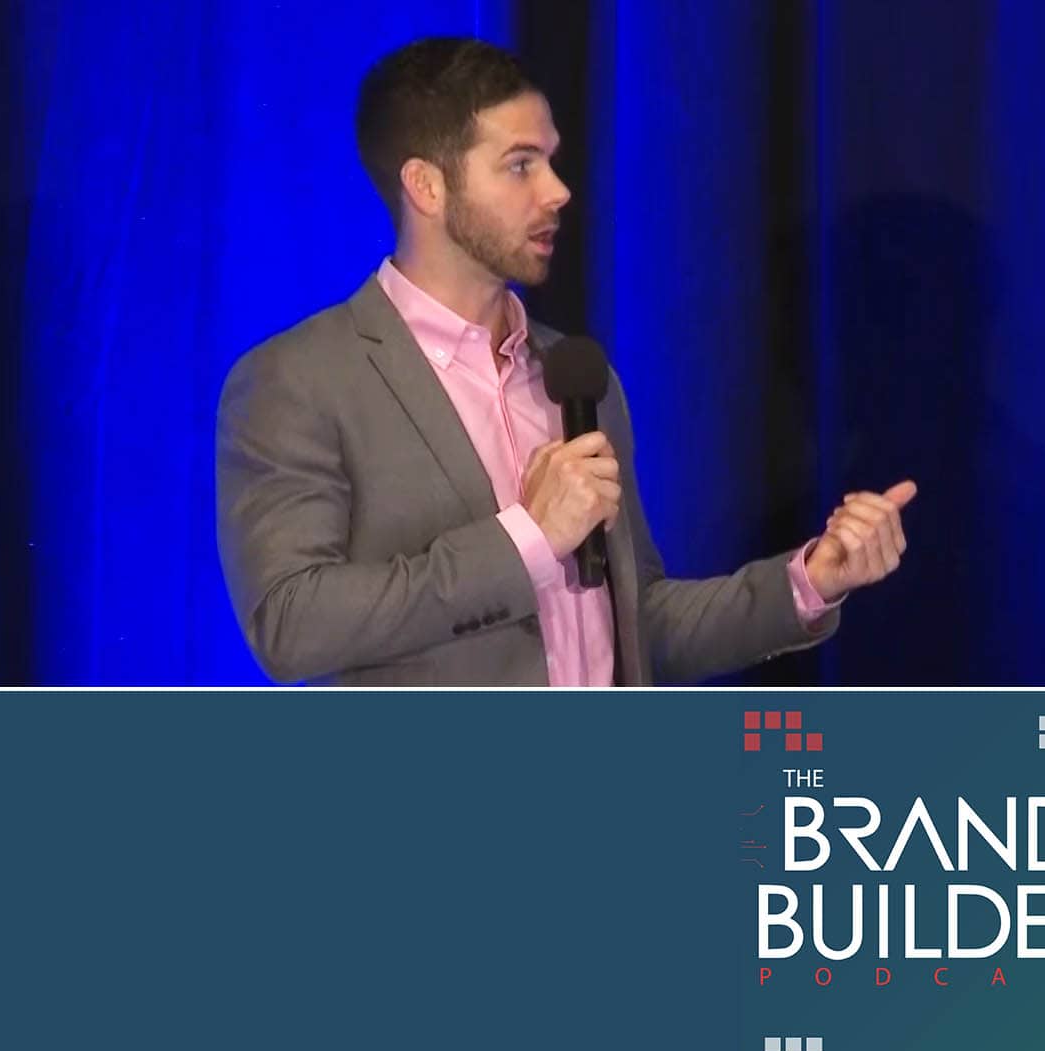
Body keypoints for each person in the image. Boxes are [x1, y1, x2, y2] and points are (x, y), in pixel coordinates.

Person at [217, 37, 913, 686]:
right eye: (521, 165)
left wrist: (809, 581)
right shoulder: (300, 380)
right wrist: (528, 537)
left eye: (551, 161)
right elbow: (291, 622)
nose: (558, 191)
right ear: (427, 186)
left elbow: (638, 623)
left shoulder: (577, 376)